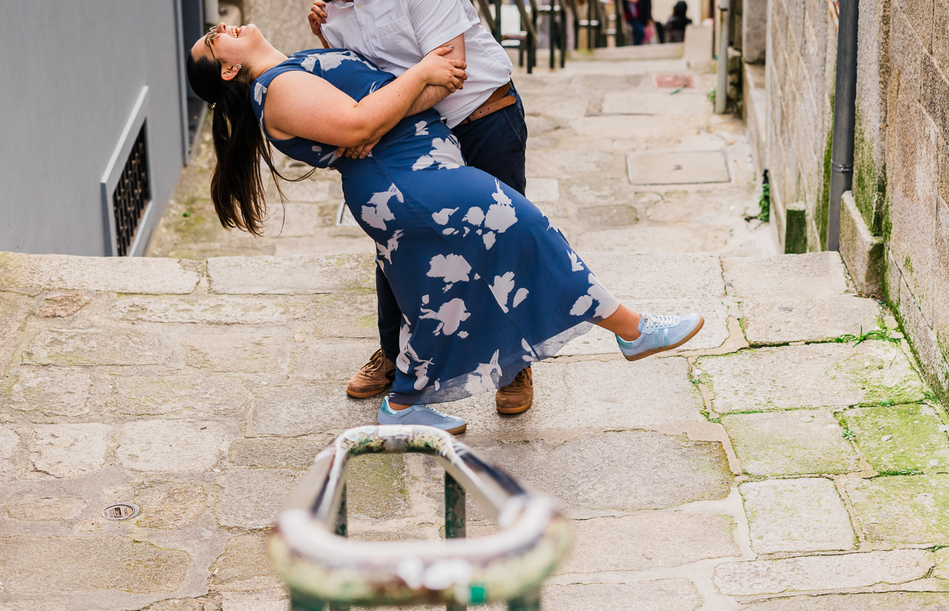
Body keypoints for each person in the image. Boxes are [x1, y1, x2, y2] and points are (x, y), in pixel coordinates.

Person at [185, 23, 706, 433]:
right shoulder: (276, 88)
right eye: (213, 38)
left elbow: (367, 109)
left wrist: (372, 87)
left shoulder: (291, 70)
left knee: (439, 296)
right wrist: (421, 75)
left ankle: (403, 403)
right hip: (405, 182)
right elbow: (359, 123)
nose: (223, 27)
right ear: (228, 70)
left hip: (410, 173)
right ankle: (632, 329)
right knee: (526, 227)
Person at [275, 0, 536, 416]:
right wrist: (326, 41)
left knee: (501, 239)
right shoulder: (333, 8)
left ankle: (514, 364)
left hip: (482, 117)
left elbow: (450, 74)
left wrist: (374, 125)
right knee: (396, 239)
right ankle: (394, 358)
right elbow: (365, 78)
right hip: (417, 133)